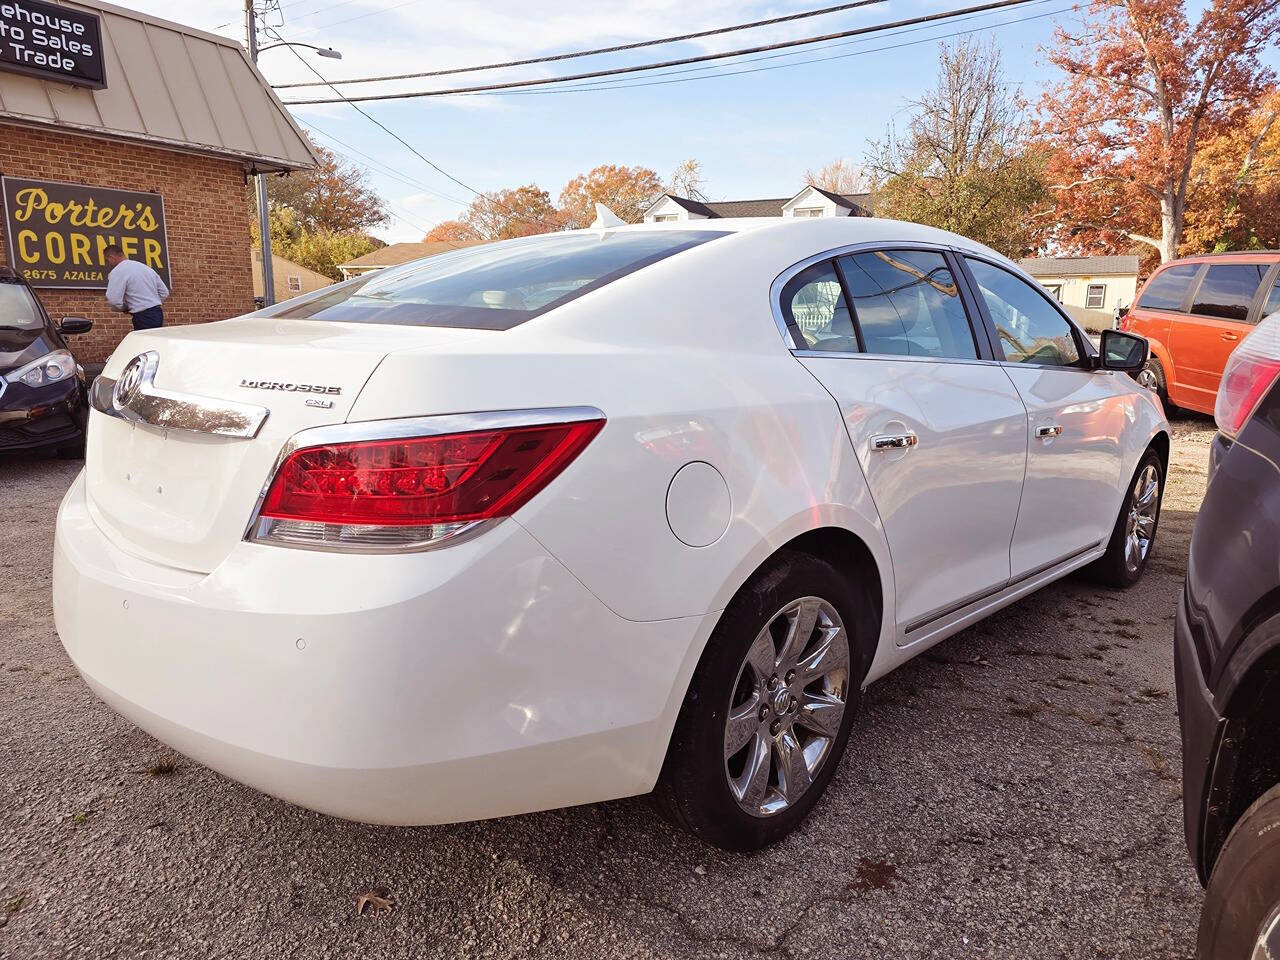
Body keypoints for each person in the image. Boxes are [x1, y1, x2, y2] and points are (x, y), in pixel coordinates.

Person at [104, 247, 169, 330]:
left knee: (145, 342)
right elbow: (164, 292)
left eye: (107, 260)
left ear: (111, 257)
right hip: (157, 313)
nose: (108, 263)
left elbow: (114, 300)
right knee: (156, 341)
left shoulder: (117, 271)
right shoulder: (146, 268)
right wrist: (152, 304)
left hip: (142, 316)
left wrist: (125, 308)